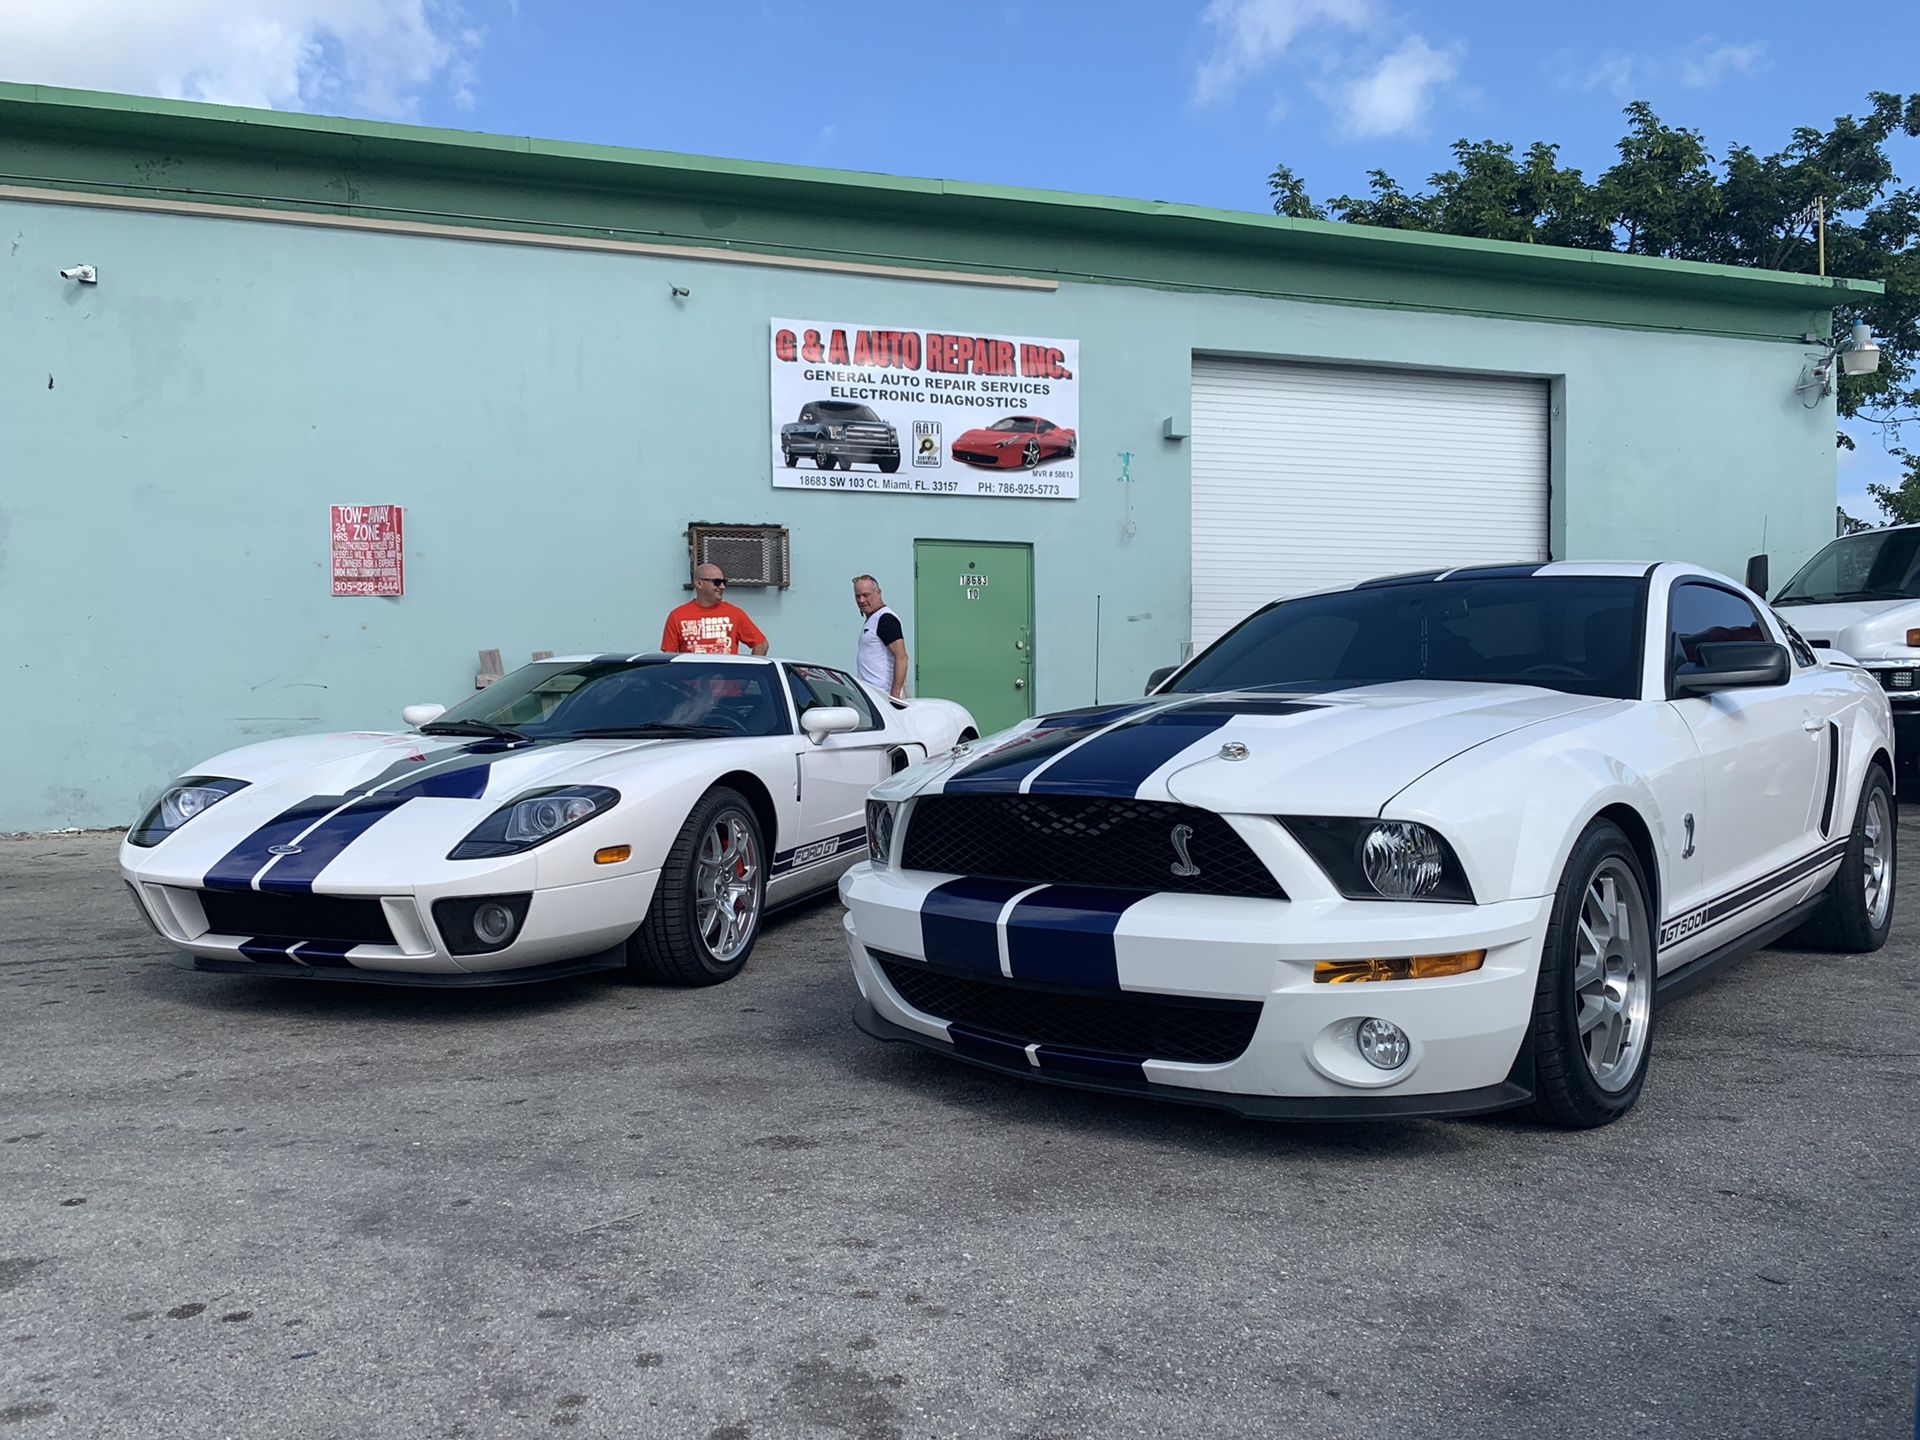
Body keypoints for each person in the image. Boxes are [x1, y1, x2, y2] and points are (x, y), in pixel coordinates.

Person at [661, 564, 769, 655]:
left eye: (724, 582)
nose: (722, 587)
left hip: (727, 680)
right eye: (717, 582)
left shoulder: (734, 614)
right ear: (699, 583)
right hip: (691, 680)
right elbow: (669, 656)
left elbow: (761, 644)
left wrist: (749, 675)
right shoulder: (677, 616)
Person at [852, 574, 908, 698]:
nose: (861, 600)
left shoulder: (885, 619)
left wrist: (894, 696)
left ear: (878, 593)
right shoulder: (872, 619)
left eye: (866, 595)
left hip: (883, 697)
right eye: (858, 596)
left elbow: (902, 657)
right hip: (871, 696)